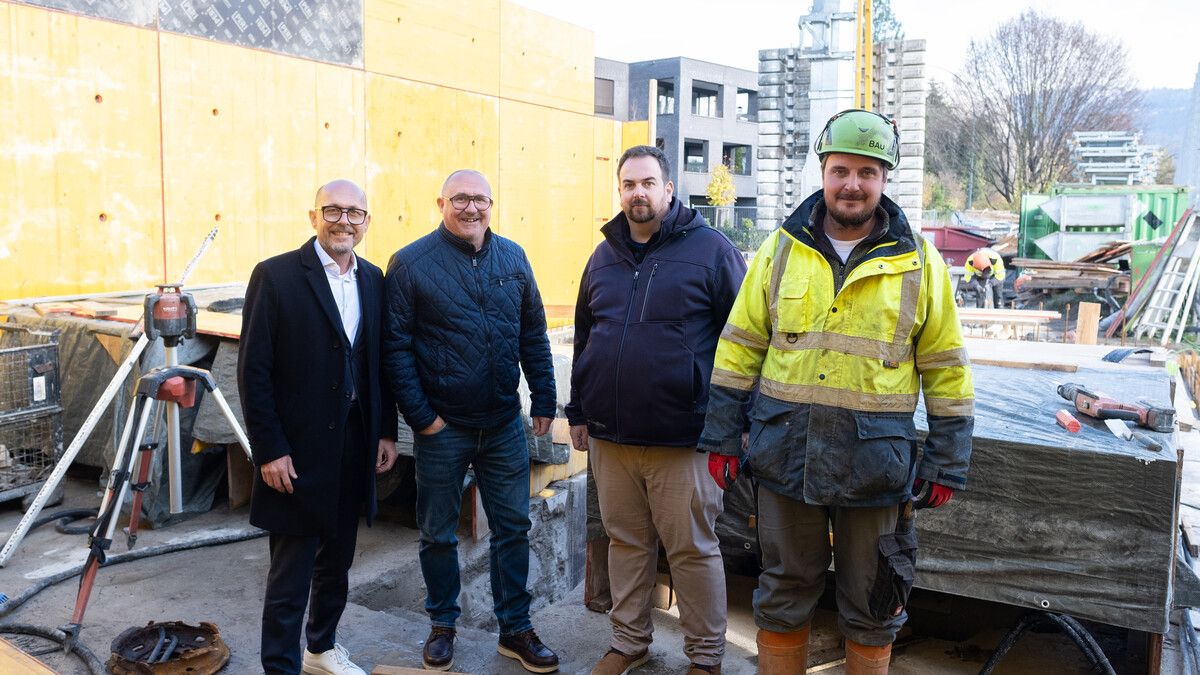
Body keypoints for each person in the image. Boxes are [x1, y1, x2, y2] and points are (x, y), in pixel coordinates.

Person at [699, 110, 975, 675]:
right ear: (823, 172)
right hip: (786, 455)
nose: (852, 184)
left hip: (874, 464)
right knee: (782, 593)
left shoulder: (920, 262)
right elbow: (739, 348)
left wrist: (947, 459)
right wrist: (722, 435)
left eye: (867, 172)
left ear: (885, 178)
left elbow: (946, 367)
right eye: (841, 170)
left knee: (875, 598)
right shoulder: (780, 250)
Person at [566, 145, 747, 675]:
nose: (637, 193)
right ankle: (629, 643)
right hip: (612, 437)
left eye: (648, 183)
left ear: (669, 189)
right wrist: (579, 411)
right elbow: (586, 336)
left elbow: (745, 344)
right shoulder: (603, 256)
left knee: (692, 550)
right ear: (619, 191)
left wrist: (735, 426)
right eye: (628, 184)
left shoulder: (712, 251)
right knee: (625, 544)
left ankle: (706, 657)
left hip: (685, 437)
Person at [383, 169, 559, 673]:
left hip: (503, 423)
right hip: (444, 427)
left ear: (491, 205)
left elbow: (533, 334)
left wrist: (544, 398)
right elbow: (395, 348)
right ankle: (442, 625)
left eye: (480, 199)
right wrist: (423, 418)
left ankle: (515, 629)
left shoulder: (513, 258)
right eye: (460, 198)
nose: (471, 208)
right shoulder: (411, 263)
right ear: (440, 203)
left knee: (513, 528)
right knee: (438, 533)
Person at [238, 179, 399, 675]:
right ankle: (280, 667)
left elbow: (377, 363)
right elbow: (253, 371)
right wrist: (269, 449)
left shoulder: (373, 279)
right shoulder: (276, 276)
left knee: (338, 561)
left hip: (354, 444)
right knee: (291, 572)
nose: (343, 221)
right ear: (314, 217)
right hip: (296, 451)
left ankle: (321, 649)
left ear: (366, 222)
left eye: (354, 212)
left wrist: (385, 430)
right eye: (332, 210)